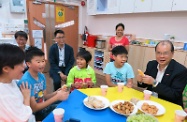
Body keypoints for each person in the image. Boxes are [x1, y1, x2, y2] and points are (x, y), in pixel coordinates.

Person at [18, 46, 69, 121]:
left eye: (43, 61)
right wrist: (57, 97)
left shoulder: (41, 75)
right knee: (64, 108)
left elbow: (44, 96)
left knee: (66, 101)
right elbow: (34, 108)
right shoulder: (26, 81)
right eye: (38, 62)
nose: (42, 64)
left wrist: (56, 92)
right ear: (28, 64)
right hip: (36, 113)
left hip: (43, 105)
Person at [137, 40, 187, 107]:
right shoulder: (151, 64)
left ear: (172, 54)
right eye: (158, 53)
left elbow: (175, 95)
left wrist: (154, 83)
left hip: (168, 104)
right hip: (150, 101)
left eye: (165, 53)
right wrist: (140, 81)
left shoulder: (180, 70)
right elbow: (144, 85)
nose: (161, 56)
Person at [0, 44, 32, 121]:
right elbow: (25, 119)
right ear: (6, 68)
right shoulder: (5, 96)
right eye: (21, 64)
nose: (24, 66)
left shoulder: (10, 80)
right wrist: (26, 97)